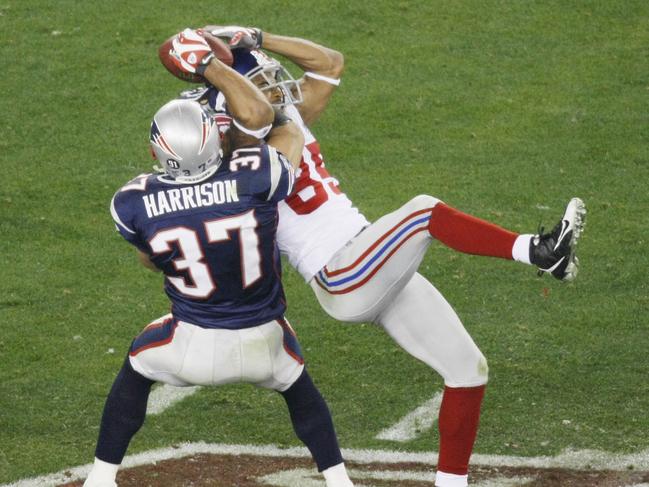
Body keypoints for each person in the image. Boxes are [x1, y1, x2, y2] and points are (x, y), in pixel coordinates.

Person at [174, 26, 587, 487]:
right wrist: (212, 70)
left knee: (467, 369)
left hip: (370, 258)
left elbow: (329, 62)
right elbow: (248, 116)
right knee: (423, 212)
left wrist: (258, 37)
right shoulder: (244, 154)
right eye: (264, 85)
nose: (278, 88)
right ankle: (541, 251)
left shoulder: (280, 119)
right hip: (342, 274)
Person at [83, 29, 354, 487]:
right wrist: (254, 109)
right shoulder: (258, 176)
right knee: (297, 384)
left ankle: (101, 477)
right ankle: (338, 478)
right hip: (265, 344)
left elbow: (152, 260)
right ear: (214, 138)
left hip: (189, 345)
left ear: (156, 152)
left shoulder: (131, 201)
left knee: (137, 364)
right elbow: (283, 129)